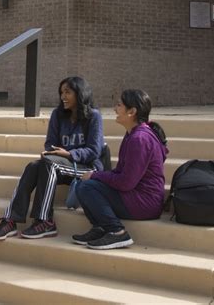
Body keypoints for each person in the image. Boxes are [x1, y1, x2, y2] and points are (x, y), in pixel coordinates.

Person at [0, 76, 106, 241]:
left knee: (49, 164)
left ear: (80, 93)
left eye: (67, 92)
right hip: (58, 165)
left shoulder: (93, 116)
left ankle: (45, 221)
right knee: (33, 166)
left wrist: (68, 154)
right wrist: (52, 152)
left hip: (86, 167)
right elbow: (50, 143)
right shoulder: (58, 115)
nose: (63, 96)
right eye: (61, 92)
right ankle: (11, 219)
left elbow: (94, 150)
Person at [72, 89, 168, 250]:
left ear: (132, 111)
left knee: (87, 187)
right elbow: (120, 173)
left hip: (145, 203)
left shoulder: (140, 139)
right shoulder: (133, 134)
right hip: (136, 196)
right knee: (85, 185)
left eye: (119, 105)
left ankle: (116, 232)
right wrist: (96, 176)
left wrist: (95, 175)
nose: (115, 109)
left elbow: (125, 183)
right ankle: (101, 228)